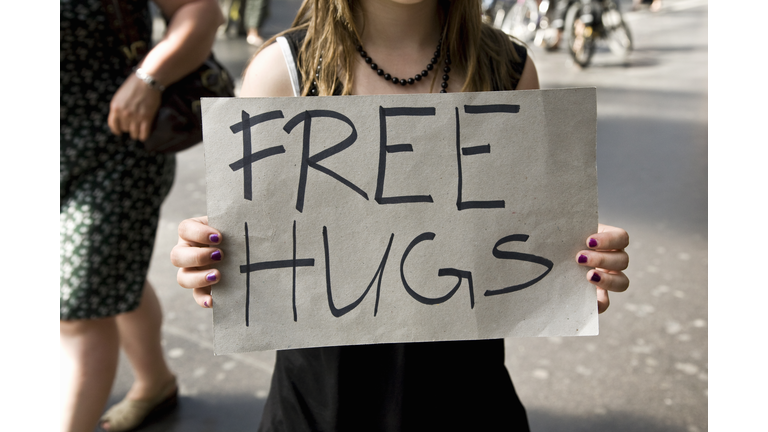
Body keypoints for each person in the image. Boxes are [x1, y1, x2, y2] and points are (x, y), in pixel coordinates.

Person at [171, 0, 630, 430]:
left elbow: (522, 233)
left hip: (469, 399)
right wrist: (211, 260)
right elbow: (255, 247)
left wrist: (574, 263)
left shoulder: (507, 69)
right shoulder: (283, 72)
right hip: (321, 403)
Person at [59, 0, 224, 431]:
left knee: (76, 312)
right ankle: (155, 384)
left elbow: (201, 10)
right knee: (107, 274)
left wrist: (148, 79)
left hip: (117, 145)